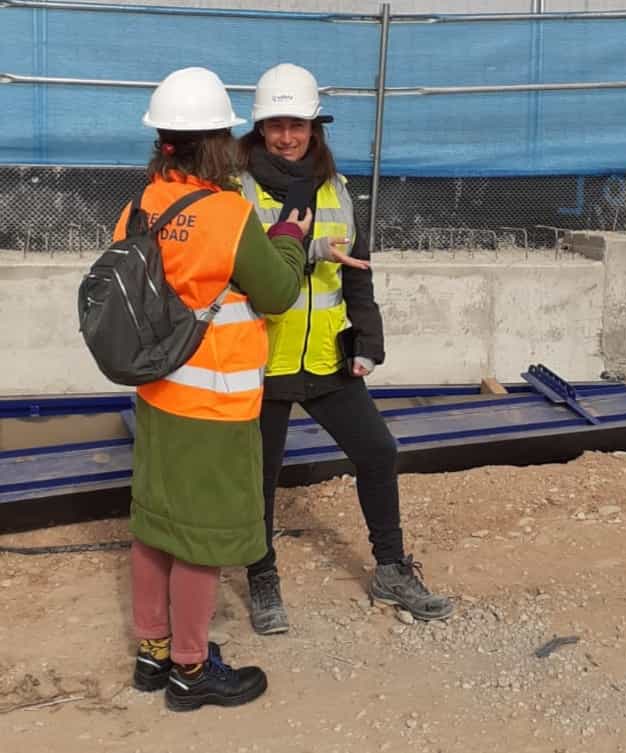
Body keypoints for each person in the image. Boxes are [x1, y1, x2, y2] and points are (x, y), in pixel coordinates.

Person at [119, 67, 312, 711]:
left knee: (155, 524)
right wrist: (288, 238)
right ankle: (191, 672)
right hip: (215, 400)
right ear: (218, 143)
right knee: (201, 537)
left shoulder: (141, 203)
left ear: (163, 141)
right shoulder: (228, 214)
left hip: (156, 395)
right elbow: (278, 292)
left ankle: (152, 653)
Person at [237, 63, 454, 635]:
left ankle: (390, 569)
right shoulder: (238, 190)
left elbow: (357, 274)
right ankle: (262, 580)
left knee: (378, 452)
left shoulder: (336, 189)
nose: (287, 136)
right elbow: (243, 271)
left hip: (328, 357)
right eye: (276, 125)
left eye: (297, 125)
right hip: (261, 357)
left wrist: (369, 341)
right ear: (260, 129)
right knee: (258, 477)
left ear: (315, 128)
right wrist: (308, 254)